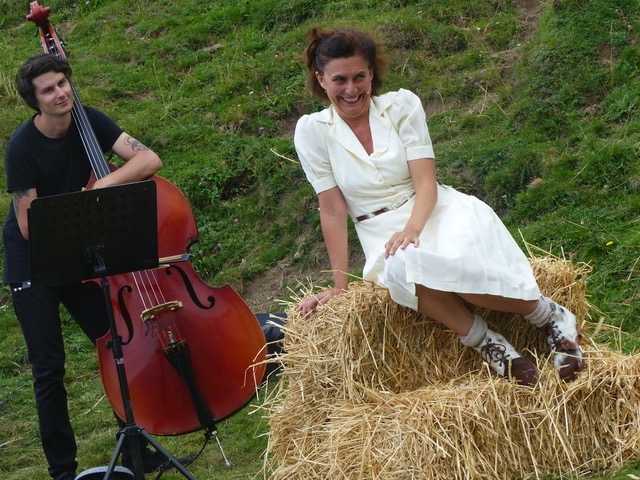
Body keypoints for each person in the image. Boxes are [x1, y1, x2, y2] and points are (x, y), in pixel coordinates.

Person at [294, 27, 583, 387]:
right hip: (378, 229)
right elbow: (333, 210)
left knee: (458, 272)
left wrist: (414, 228)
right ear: (321, 80)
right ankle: (489, 343)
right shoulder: (312, 131)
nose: (351, 90)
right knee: (402, 265)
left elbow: (425, 181)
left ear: (372, 74)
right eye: (339, 80)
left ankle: (550, 315)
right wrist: (339, 286)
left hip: (433, 209)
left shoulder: (401, 106)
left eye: (359, 77)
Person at [2, 53, 171, 480]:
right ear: (34, 101)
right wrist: (84, 206)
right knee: (49, 368)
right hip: (35, 262)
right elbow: (28, 225)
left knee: (118, 346)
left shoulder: (89, 120)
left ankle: (135, 451)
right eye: (48, 89)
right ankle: (63, 471)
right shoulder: (21, 147)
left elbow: (148, 160)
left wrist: (102, 184)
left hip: (79, 253)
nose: (60, 93)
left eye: (63, 83)